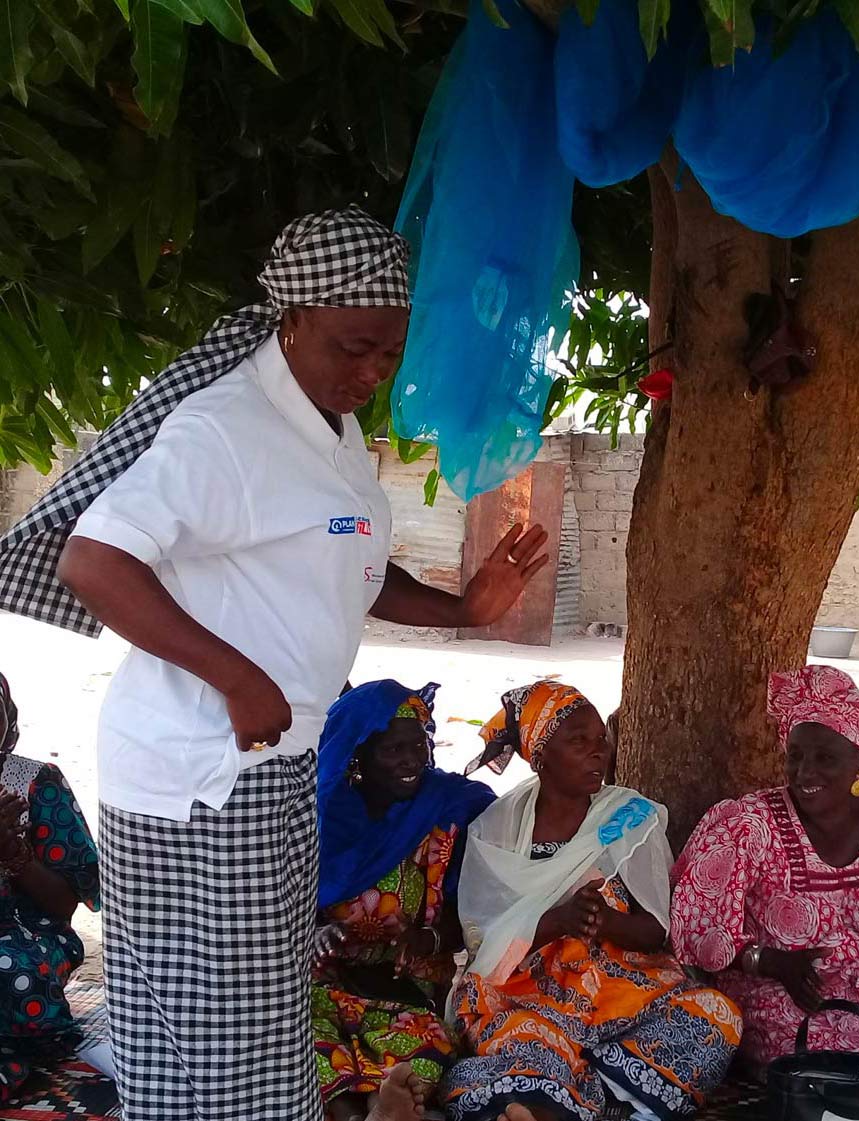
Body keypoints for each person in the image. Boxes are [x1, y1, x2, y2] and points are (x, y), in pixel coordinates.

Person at [0, 206, 548, 1121]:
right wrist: (236, 675)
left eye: (388, 353)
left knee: (255, 1018)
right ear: (290, 318)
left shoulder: (321, 426)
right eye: (353, 347)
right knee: (206, 1031)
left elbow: (344, 564)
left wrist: (461, 609)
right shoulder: (225, 429)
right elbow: (94, 560)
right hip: (197, 777)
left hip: (274, 761)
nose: (371, 372)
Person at [443, 681, 741, 1121]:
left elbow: (655, 930)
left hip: (620, 987)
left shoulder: (629, 817)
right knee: (529, 1038)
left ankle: (562, 1098)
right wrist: (558, 921)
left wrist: (603, 922)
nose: (597, 751)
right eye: (578, 741)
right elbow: (479, 937)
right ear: (541, 757)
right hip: (527, 988)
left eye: (601, 739)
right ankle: (562, 1096)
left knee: (716, 1017)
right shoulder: (496, 829)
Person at [671, 665, 859, 1121]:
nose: (805, 772)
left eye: (825, 758)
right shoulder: (750, 825)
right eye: (796, 756)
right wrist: (772, 962)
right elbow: (696, 929)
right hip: (793, 998)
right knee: (858, 1067)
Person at [312, 679, 495, 1120]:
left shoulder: (448, 810)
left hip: (403, 988)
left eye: (418, 745)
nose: (412, 760)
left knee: (421, 1042)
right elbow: (273, 910)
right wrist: (315, 933)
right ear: (359, 755)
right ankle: (353, 1113)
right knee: (302, 1038)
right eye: (392, 750)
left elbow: (468, 921)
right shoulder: (320, 819)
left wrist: (423, 939)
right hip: (322, 983)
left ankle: (382, 1105)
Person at [0, 671, 102, 1105]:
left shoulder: (36, 783)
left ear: (8, 713)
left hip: (23, 934)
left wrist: (10, 851)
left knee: (12, 972)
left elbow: (64, 905)